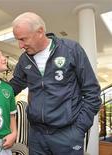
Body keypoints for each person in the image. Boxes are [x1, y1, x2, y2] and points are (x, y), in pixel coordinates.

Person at [10, 12, 101, 155]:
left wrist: (79, 128)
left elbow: (92, 92)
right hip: (36, 134)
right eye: (17, 40)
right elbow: (14, 85)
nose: (20, 45)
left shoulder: (71, 50)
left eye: (23, 39)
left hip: (68, 133)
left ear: (40, 32)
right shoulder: (24, 60)